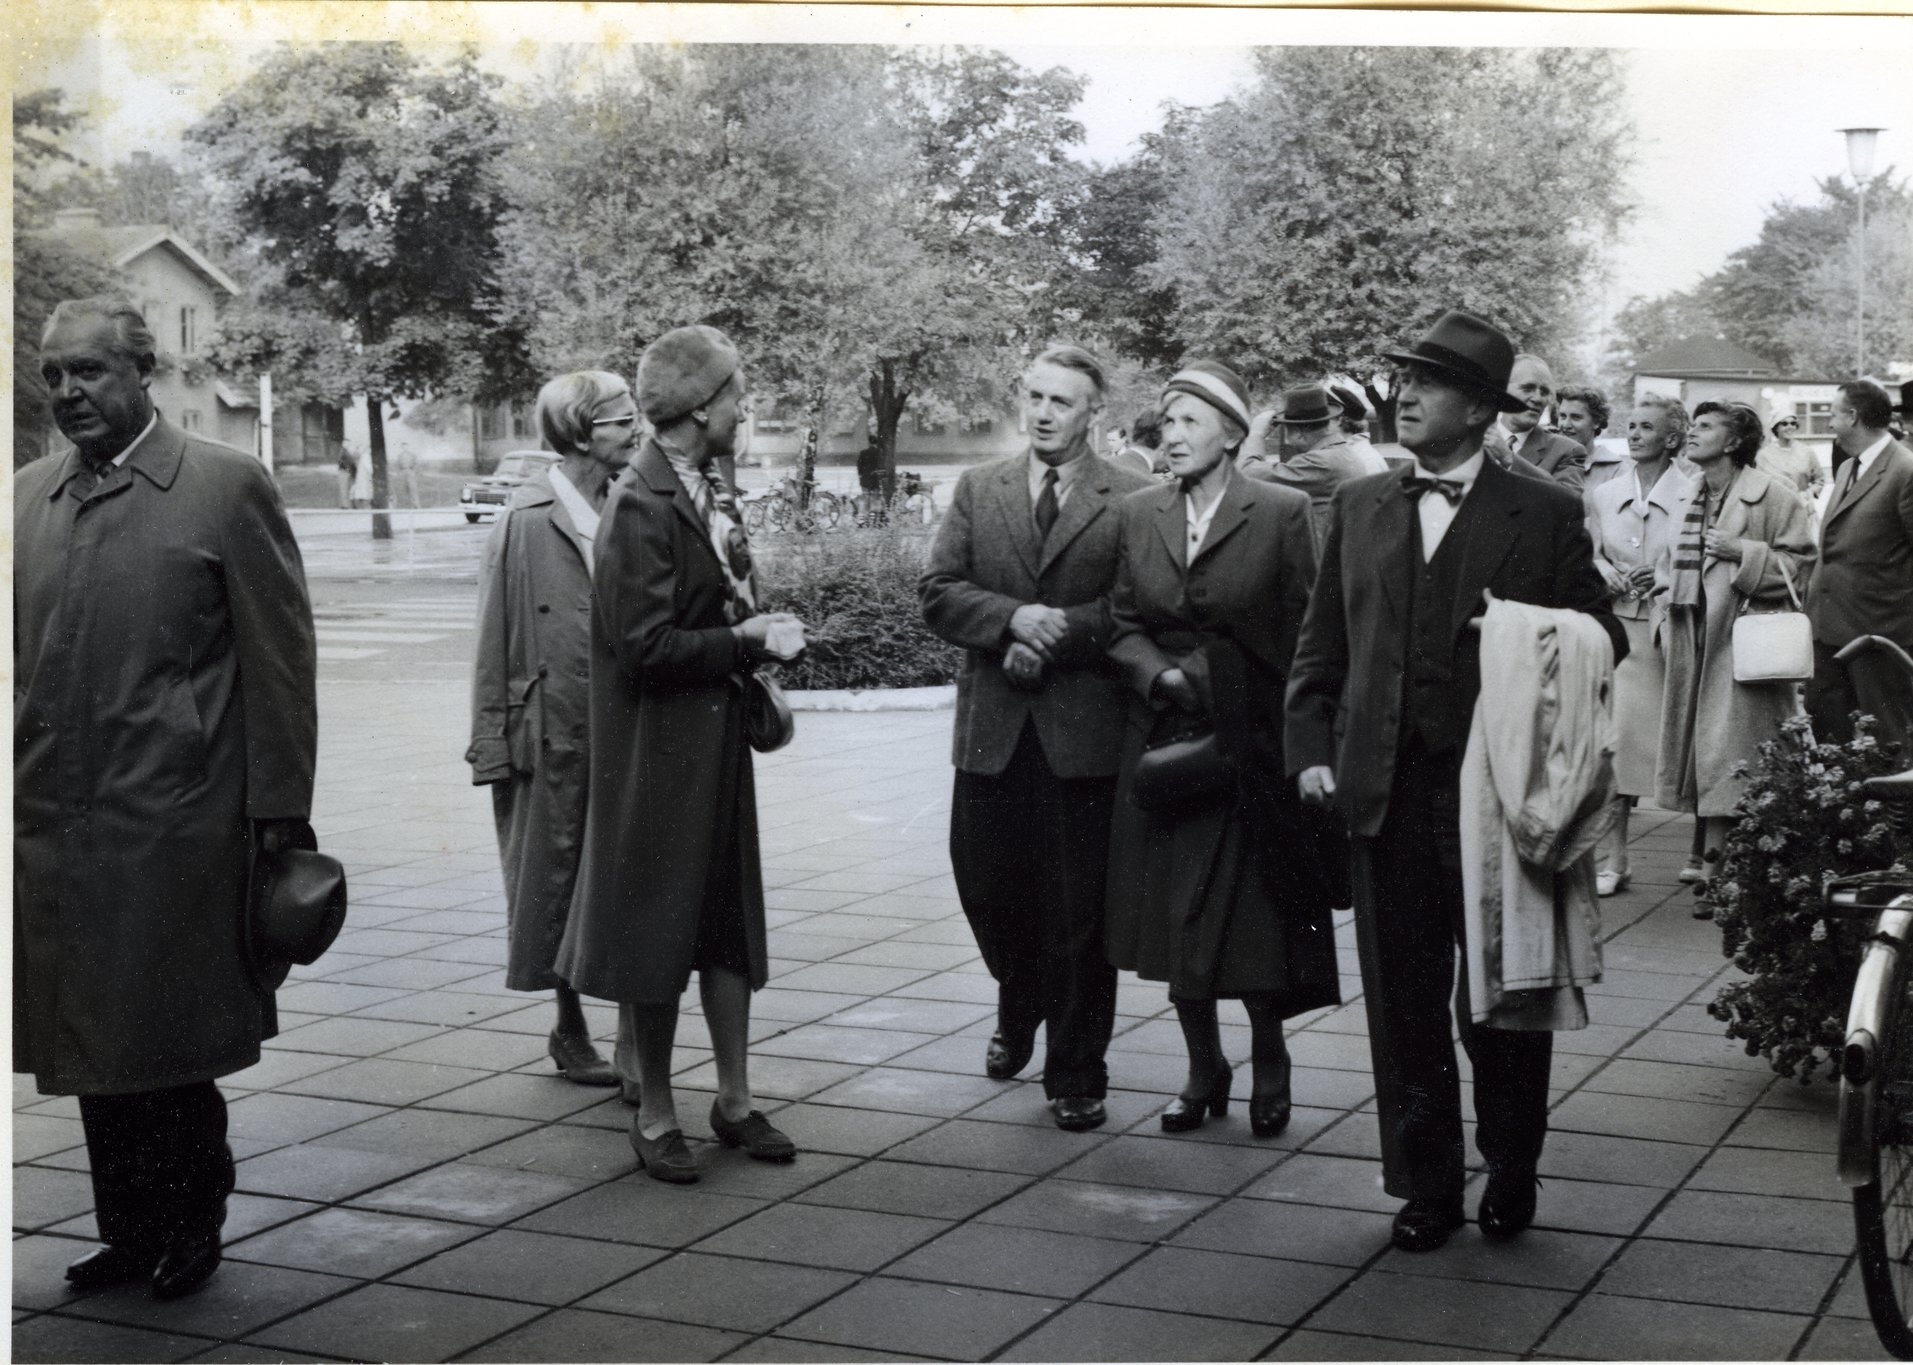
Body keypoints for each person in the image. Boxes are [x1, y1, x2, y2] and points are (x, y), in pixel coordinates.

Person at [1285, 309, 1624, 1252]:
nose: (1404, 395)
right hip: (1381, 795)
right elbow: (1321, 647)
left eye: (1427, 383)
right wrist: (1310, 745)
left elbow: (1607, 637)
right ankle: (1424, 1183)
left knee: (1504, 1002)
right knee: (1401, 1003)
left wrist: (1516, 630)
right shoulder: (1360, 507)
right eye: (1401, 378)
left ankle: (1510, 1164)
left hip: (1494, 801)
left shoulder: (1542, 512)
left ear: (1478, 411)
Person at [16, 296, 318, 1299]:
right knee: (92, 1039)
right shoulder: (27, 499)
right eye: (53, 374)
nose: (67, 392)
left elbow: (280, 664)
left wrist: (278, 814)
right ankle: (129, 1229)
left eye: (89, 372)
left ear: (142, 371)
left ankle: (192, 1223)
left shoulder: (224, 487)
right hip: (59, 820)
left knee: (170, 1039)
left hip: (179, 825)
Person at [557, 325, 808, 1182]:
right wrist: (743, 639)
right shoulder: (641, 502)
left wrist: (752, 629)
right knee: (659, 930)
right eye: (738, 393)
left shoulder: (704, 485)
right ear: (703, 408)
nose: (747, 406)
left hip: (710, 749)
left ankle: (733, 1101)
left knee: (726, 927)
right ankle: (657, 1112)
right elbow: (641, 646)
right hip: (656, 760)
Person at [1105, 362, 1340, 1139]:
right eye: (1164, 422)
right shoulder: (1140, 513)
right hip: (1165, 743)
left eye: (1188, 422)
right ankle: (1203, 1066)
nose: (1170, 436)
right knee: (1175, 917)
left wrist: (1211, 674)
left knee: (1250, 920)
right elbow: (1120, 619)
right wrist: (1158, 673)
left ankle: (1269, 1055)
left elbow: (1306, 629)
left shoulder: (1277, 510)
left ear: (1232, 435)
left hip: (1246, 745)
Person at [919, 345, 1152, 1133]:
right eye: (1035, 396)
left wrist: (1054, 635)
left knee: (1079, 910)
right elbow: (939, 590)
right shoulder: (979, 489)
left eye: (1062, 401)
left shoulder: (1132, 496)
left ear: (1096, 414)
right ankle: (1017, 999)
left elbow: (1135, 607)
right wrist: (1010, 620)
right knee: (986, 887)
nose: (1044, 412)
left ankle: (1076, 1067)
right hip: (992, 734)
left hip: (1082, 738)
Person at [467, 372, 640, 1093]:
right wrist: (491, 744)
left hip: (626, 721)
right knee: (556, 874)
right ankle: (570, 1025)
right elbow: (491, 637)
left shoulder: (632, 507)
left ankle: (637, 1041)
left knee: (632, 873)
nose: (636, 431)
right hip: (552, 724)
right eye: (620, 420)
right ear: (579, 432)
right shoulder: (527, 517)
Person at [1656, 401, 1816, 913]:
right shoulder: (1688, 490)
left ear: (1731, 442)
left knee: (1730, 756)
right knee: (1711, 756)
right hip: (1692, 637)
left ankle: (1716, 874)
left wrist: (1742, 553)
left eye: (1705, 426)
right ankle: (1735, 865)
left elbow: (1801, 564)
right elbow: (1670, 561)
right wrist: (1663, 599)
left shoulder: (1773, 494)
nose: (1692, 432)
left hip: (1741, 643)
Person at [1585, 397, 1698, 896]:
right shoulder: (1605, 493)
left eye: (1646, 427)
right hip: (1622, 633)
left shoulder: (1695, 490)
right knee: (1616, 746)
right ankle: (1615, 859)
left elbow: (1699, 555)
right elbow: (1588, 550)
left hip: (1672, 628)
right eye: (1629, 426)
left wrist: (1667, 574)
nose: (1633, 434)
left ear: (1672, 439)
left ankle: (1700, 852)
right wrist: (1604, 569)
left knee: (1686, 736)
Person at [1805, 380, 1913, 749]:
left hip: (1880, 637)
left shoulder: (1905, 470)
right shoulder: (1848, 468)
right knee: (1829, 740)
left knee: (1888, 743)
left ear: (1853, 417)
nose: (1828, 424)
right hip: (1827, 632)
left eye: (1832, 415)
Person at [1249, 382, 1384, 552]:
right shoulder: (1339, 454)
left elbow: (1246, 475)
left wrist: (1256, 433)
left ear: (1299, 432)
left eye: (1286, 428)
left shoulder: (1322, 463)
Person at [1499, 353, 1588, 491]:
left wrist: (1509, 458)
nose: (1538, 398)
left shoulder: (1567, 451)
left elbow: (1568, 506)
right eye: (1527, 388)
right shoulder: (1469, 439)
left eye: (1544, 392)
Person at [1555, 385, 1624, 494]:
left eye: (1576, 417)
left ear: (1596, 422)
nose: (1566, 425)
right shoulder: (1548, 460)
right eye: (1563, 416)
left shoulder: (1616, 471)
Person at [1757, 412, 1825, 501]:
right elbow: (1758, 483)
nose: (1790, 427)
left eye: (1793, 423)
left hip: (1802, 505)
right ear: (1776, 428)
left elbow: (1819, 480)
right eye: (1784, 424)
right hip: (1775, 506)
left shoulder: (1807, 452)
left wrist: (1807, 494)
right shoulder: (1764, 455)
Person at [391, 438, 423, 509]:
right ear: (401, 447)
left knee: (413, 489)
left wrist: (413, 471)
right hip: (402, 473)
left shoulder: (412, 455)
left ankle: (417, 505)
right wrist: (398, 472)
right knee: (403, 489)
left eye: (405, 446)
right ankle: (405, 506)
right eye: (403, 447)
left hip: (410, 472)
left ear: (408, 447)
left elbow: (416, 463)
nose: (404, 448)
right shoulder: (399, 456)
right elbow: (397, 465)